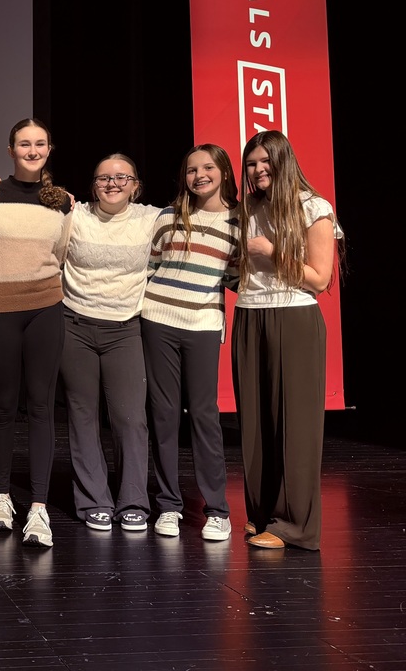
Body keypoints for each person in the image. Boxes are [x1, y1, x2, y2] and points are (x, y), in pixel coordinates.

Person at [233, 130, 343, 551]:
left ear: (284, 162)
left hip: (294, 317)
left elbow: (320, 277)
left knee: (295, 424)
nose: (259, 170)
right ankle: (263, 514)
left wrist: (272, 253)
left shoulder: (313, 207)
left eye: (266, 162)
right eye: (251, 163)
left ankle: (296, 526)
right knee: (256, 424)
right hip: (250, 314)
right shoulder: (246, 208)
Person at [0, 118, 70, 548]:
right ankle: (0, 498)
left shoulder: (64, 203)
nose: (32, 150)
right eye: (24, 144)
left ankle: (38, 508)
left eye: (40, 144)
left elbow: (63, 255)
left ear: (49, 149)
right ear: (11, 149)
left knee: (41, 408)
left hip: (45, 311)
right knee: (2, 406)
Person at [141, 144, 240, 541]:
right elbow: (150, 268)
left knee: (203, 415)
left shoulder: (239, 223)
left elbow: (234, 278)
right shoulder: (168, 217)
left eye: (208, 167)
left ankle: (217, 509)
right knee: (163, 414)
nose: (199, 175)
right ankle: (168, 505)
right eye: (191, 169)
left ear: (225, 173)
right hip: (158, 321)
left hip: (202, 324)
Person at [61, 153, 159, 533]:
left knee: (130, 418)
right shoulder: (75, 215)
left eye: (122, 177)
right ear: (93, 185)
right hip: (75, 324)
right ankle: (93, 501)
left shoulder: (152, 218)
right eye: (104, 178)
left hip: (125, 329)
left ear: (136, 185)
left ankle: (133, 500)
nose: (113, 184)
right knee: (82, 417)